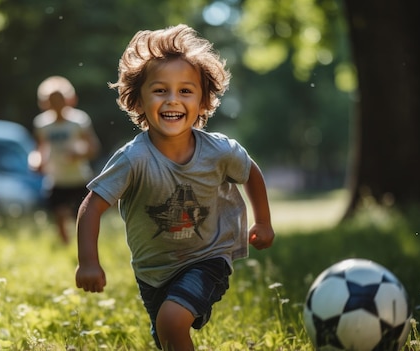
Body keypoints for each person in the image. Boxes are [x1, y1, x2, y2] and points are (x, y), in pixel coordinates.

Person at [74, 24, 275, 351]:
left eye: (185, 91)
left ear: (203, 100)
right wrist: (88, 261)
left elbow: (250, 172)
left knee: (171, 321)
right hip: (152, 272)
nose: (173, 100)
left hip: (208, 256)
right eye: (160, 90)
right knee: (166, 335)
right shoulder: (133, 159)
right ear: (137, 100)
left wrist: (263, 222)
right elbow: (92, 207)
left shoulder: (219, 151)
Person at [33, 76, 101, 244]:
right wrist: (36, 162)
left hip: (79, 177)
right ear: (45, 102)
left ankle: (84, 247)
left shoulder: (79, 121)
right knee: (59, 215)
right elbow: (40, 150)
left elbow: (93, 148)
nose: (56, 104)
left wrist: (78, 154)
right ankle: (66, 248)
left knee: (81, 216)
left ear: (69, 99)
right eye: (52, 100)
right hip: (56, 179)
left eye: (60, 99)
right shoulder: (41, 124)